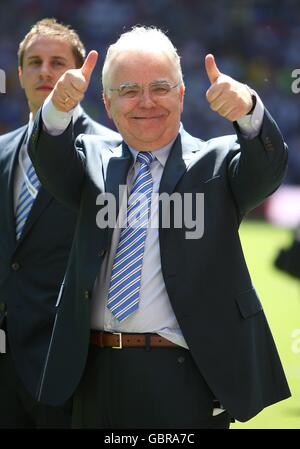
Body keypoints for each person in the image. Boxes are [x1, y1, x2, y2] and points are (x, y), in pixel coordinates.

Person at [28, 26, 290, 429]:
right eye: (129, 89)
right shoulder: (90, 160)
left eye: (161, 87)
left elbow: (268, 167)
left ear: (182, 95)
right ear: (107, 102)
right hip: (93, 375)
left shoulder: (217, 164)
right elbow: (48, 156)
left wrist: (249, 111)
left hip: (184, 376)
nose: (146, 102)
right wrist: (56, 110)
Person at [0, 18, 119, 429]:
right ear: (19, 73)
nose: (45, 72)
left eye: (57, 62)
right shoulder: (1, 152)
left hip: (68, 365)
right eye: (34, 62)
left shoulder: (111, 153)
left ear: (79, 73)